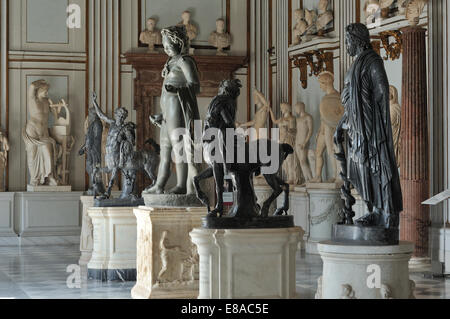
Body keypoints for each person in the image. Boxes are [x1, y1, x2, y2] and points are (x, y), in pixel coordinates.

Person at [335, 23, 402, 229]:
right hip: (355, 126)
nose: (346, 46)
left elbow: (381, 91)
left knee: (373, 167)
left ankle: (382, 212)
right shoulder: (357, 63)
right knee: (359, 170)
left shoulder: (372, 60)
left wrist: (366, 115)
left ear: (356, 40)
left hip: (369, 129)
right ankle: (372, 209)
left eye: (347, 41)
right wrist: (345, 121)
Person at [147, 25, 201, 195]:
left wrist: (178, 91)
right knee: (164, 150)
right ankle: (159, 185)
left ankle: (182, 186)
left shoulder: (185, 61)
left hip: (178, 110)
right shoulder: (170, 62)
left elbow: (195, 86)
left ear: (179, 43)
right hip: (167, 114)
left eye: (169, 45)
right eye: (164, 46)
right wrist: (161, 115)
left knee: (179, 149)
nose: (166, 49)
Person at [92, 92, 135, 199]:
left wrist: (126, 141)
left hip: (117, 153)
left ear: (124, 117)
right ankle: (98, 187)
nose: (119, 118)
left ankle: (108, 191)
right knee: (107, 169)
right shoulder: (112, 123)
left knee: (114, 170)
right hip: (108, 152)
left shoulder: (125, 128)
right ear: (115, 115)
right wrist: (94, 101)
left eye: (122, 116)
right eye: (118, 115)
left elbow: (131, 141)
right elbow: (101, 115)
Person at [22, 80, 59, 187]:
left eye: (47, 90)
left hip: (44, 132)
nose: (47, 93)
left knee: (48, 151)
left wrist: (55, 109)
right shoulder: (32, 99)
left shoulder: (47, 101)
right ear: (39, 90)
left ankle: (50, 177)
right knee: (32, 154)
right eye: (45, 90)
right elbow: (32, 85)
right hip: (32, 130)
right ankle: (34, 179)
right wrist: (42, 82)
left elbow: (55, 115)